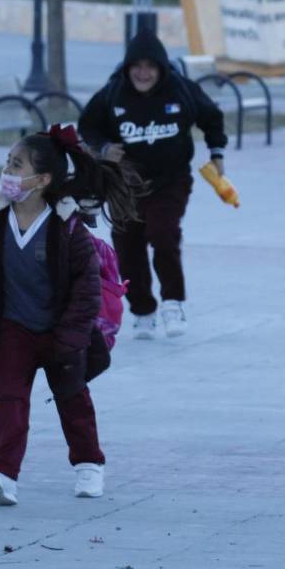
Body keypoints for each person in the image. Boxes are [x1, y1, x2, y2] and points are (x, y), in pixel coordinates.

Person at [0, 125, 138, 506]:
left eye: (17, 166)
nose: (8, 173)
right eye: (7, 164)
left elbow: (87, 286)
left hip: (62, 333)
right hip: (13, 328)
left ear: (42, 179)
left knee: (72, 399)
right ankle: (3, 474)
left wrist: (72, 337)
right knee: (10, 399)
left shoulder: (66, 224)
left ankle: (89, 464)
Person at [78, 27, 227, 340]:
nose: (143, 73)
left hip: (169, 180)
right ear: (128, 67)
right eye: (137, 66)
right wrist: (104, 148)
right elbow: (88, 126)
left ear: (160, 68)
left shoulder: (181, 90)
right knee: (128, 247)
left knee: (163, 234)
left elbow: (211, 117)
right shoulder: (112, 93)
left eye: (150, 67)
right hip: (123, 184)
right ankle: (142, 310)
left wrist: (216, 152)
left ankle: (173, 302)